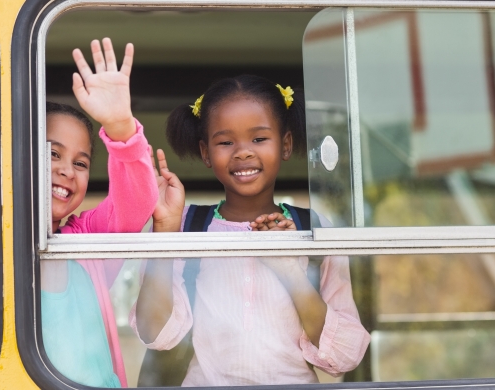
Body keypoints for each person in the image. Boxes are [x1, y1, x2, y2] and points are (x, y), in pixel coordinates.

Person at [0, 38, 157, 390]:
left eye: (80, 163)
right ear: (20, 159)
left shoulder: (88, 244)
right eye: (53, 154)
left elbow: (137, 202)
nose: (67, 170)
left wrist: (121, 126)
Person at [131, 75, 370, 386]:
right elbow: (154, 332)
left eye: (259, 139)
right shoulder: (183, 225)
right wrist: (164, 230)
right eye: (226, 142)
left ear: (285, 145)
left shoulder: (315, 228)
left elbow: (344, 358)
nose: (243, 152)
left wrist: (290, 270)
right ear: (206, 153)